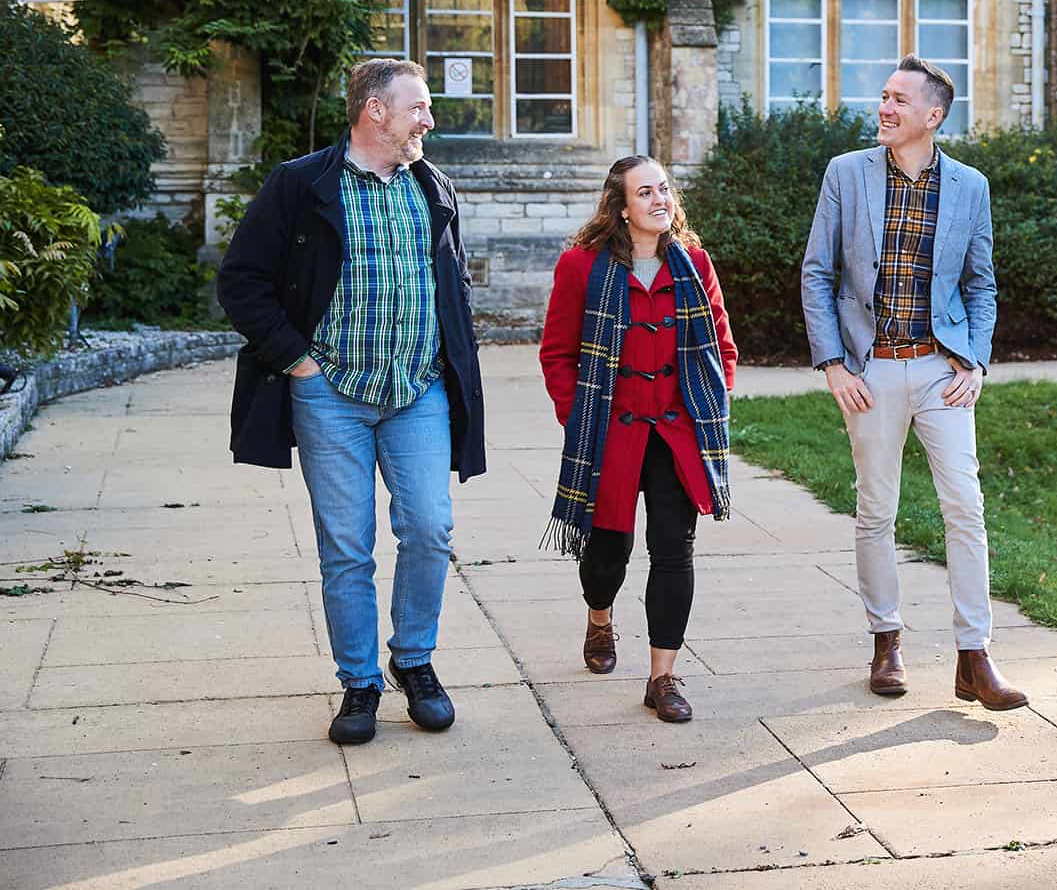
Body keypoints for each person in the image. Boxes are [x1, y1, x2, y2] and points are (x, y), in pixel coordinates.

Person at [218, 58, 486, 745]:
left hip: (417, 392)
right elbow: (241, 281)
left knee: (429, 528)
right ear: (375, 111)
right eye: (417, 108)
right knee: (347, 548)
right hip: (330, 395)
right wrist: (297, 362)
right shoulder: (302, 184)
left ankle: (414, 661)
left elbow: (451, 288)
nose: (429, 119)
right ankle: (359, 683)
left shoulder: (433, 186)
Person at [799, 54, 1026, 711]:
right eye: (883, 95)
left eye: (900, 100)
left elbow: (981, 283)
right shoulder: (846, 175)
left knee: (966, 504)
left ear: (933, 116)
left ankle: (974, 656)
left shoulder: (970, 187)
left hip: (940, 369)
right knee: (877, 509)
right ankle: (886, 640)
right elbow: (817, 274)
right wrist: (834, 364)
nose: (885, 108)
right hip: (869, 369)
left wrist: (976, 361)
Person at [538, 155, 736, 723]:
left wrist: (712, 400)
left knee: (674, 550)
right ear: (621, 208)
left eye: (665, 189)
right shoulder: (582, 266)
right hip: (610, 433)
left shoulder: (694, 263)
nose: (660, 200)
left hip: (678, 432)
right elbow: (557, 353)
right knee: (608, 553)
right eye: (645, 192)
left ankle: (662, 676)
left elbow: (721, 344)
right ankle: (599, 618)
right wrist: (579, 416)